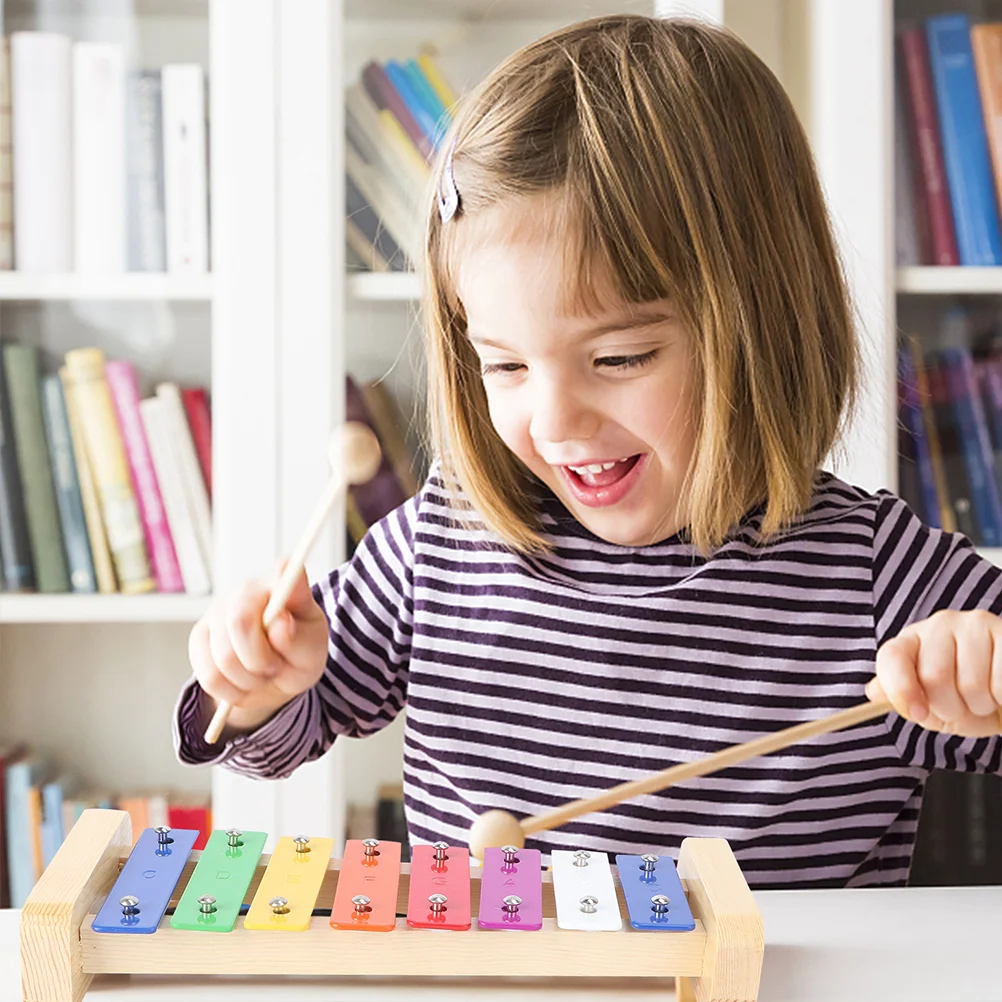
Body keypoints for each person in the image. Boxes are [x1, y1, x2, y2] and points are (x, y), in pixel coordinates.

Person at [175, 14, 1002, 888]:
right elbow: (273, 744)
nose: (556, 417)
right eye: (504, 364)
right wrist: (253, 687)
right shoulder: (439, 548)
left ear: (760, 328)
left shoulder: (873, 577)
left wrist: (982, 672)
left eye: (619, 358)